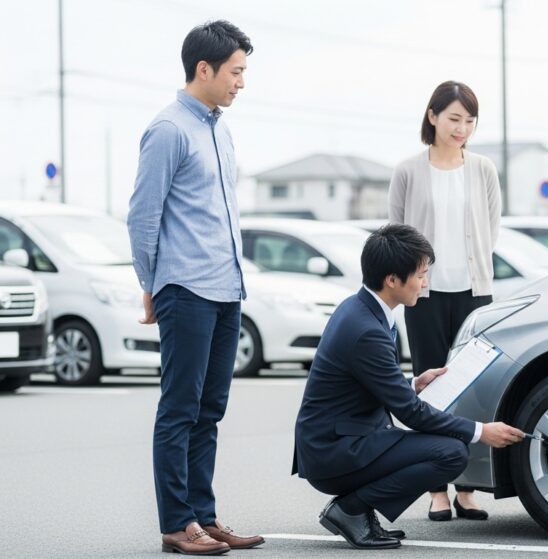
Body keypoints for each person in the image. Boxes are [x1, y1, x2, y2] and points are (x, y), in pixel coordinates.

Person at [292, 224, 524, 550]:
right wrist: (480, 431)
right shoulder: (366, 329)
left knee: (445, 446)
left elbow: (366, 381)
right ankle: (351, 509)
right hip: (335, 453)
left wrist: (413, 383)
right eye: (420, 275)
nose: (425, 283)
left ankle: (359, 511)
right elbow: (411, 414)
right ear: (392, 279)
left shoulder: (360, 308)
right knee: (451, 453)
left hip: (341, 440)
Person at [127, 20, 263, 556]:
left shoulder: (219, 129)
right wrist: (151, 285)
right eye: (236, 72)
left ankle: (203, 516)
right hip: (185, 289)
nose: (241, 83)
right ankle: (177, 523)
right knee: (180, 409)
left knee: (210, 410)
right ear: (203, 69)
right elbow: (143, 218)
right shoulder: (168, 129)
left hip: (226, 289)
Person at [388, 80, 502, 521]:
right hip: (424, 295)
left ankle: (467, 487)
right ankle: (435, 488)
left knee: (473, 386)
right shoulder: (407, 170)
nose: (462, 128)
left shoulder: (483, 169)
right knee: (431, 388)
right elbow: (396, 233)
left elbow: (490, 228)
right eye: (454, 118)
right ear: (432, 116)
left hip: (474, 291)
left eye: (470, 121)